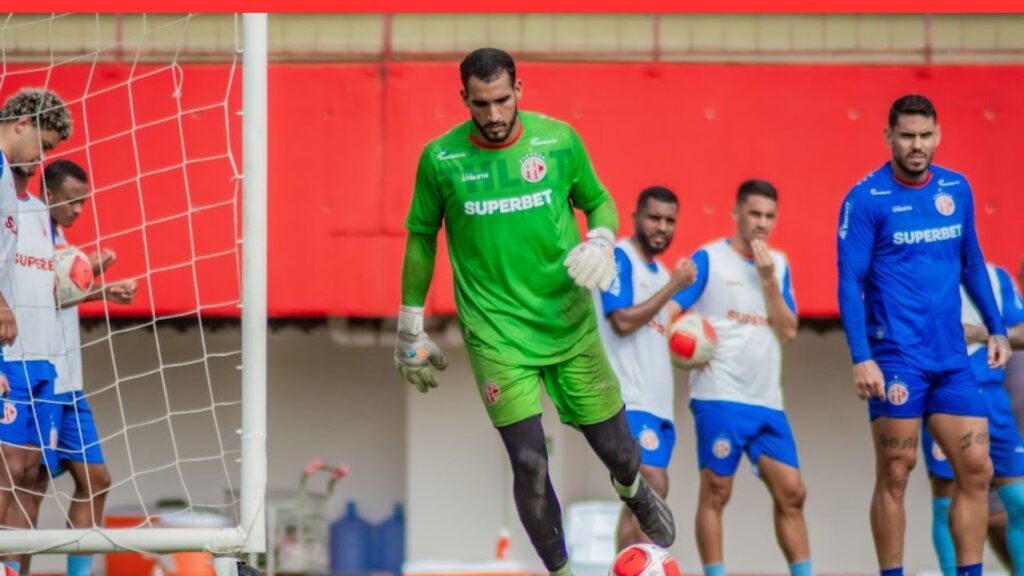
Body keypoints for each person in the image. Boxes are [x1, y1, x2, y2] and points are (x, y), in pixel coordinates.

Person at [394, 47, 674, 575]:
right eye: (481, 105)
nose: (494, 116)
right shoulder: (440, 159)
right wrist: (410, 324)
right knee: (527, 462)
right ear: (464, 100)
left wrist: (601, 239)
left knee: (618, 451)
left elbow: (600, 199)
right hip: (496, 335)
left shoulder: (560, 140)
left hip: (568, 323)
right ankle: (561, 571)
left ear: (519, 90)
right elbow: (421, 239)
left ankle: (633, 490)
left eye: (502, 100)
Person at [837, 93, 1011, 576]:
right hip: (895, 357)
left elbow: (972, 262)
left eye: (925, 136)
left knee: (978, 469)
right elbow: (849, 280)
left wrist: (996, 328)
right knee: (896, 471)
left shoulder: (956, 188)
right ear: (889, 137)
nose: (917, 145)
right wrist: (861, 356)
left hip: (952, 359)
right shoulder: (866, 198)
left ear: (938, 135)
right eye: (907, 136)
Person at [671, 179, 812, 576]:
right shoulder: (710, 259)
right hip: (720, 395)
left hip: (767, 400)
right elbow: (671, 315)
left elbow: (787, 330)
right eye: (754, 213)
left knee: (793, 492)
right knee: (717, 492)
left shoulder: (779, 264)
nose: (762, 223)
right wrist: (684, 349)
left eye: (769, 215)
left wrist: (768, 278)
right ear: (736, 214)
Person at [3, 159, 135, 576]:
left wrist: (97, 282)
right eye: (72, 201)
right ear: (50, 194)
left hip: (67, 384)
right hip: (35, 374)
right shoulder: (23, 227)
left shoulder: (61, 244)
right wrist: (96, 284)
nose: (79, 210)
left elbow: (57, 293)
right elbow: (42, 295)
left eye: (84, 202)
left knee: (96, 480)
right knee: (28, 482)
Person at [592, 186, 695, 548]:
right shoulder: (619, 257)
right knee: (651, 486)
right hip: (626, 398)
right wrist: (673, 288)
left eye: (670, 221)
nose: (662, 227)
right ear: (635, 217)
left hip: (658, 406)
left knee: (638, 501)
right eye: (654, 217)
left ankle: (625, 569)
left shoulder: (663, 272)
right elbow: (621, 320)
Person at [0, 89, 73, 575]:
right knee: (7, 469)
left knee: (30, 472)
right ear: (22, 122)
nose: (41, 159)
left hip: (32, 356)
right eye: (42, 145)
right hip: (14, 352)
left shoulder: (8, 179)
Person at [920, 262, 1024, 576]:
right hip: (944, 395)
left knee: (1018, 500)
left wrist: (984, 332)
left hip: (993, 396)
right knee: (948, 495)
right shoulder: (921, 271)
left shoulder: (995, 276)